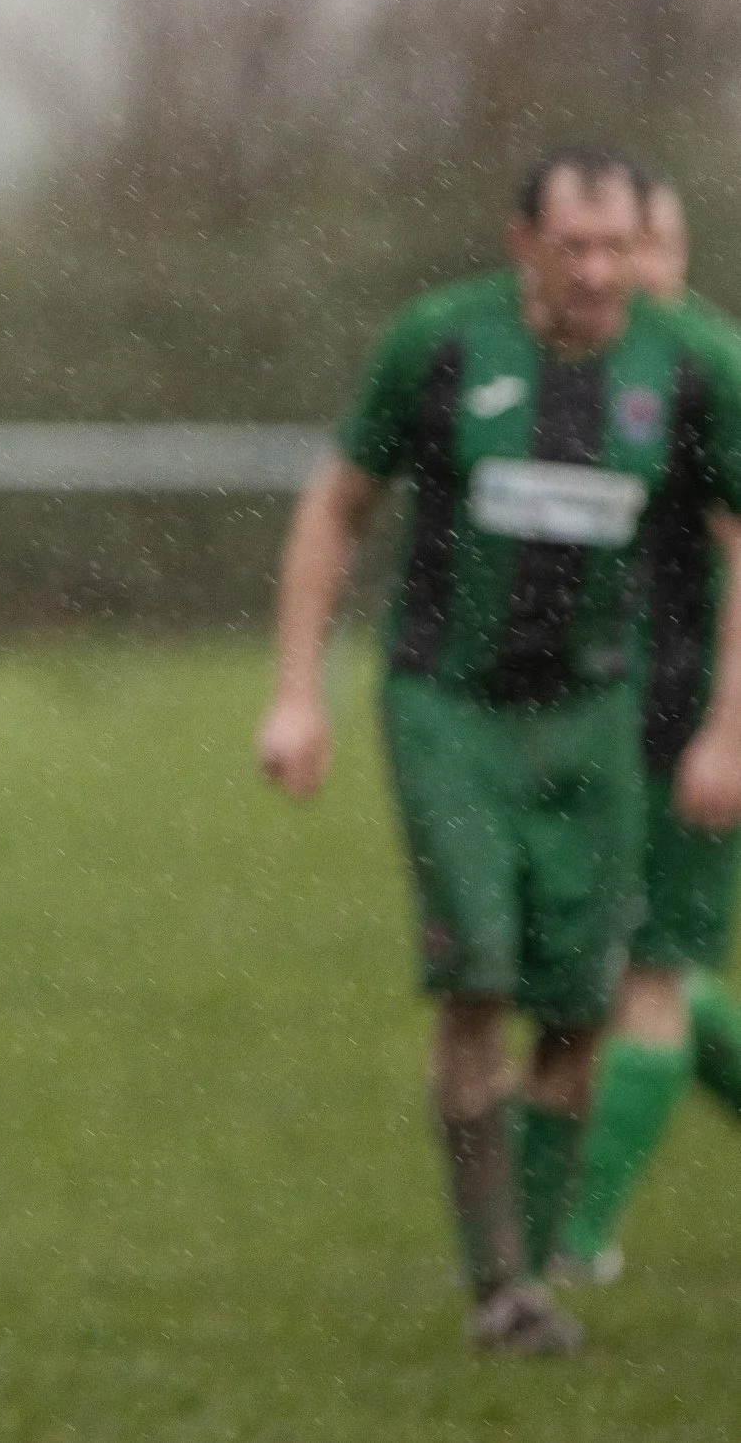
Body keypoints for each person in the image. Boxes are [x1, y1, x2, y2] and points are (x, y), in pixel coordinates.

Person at [257, 146, 741, 1355]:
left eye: (617, 245)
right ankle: (502, 1282)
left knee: (580, 1006)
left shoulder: (691, 365)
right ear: (521, 242)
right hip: (448, 708)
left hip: (596, 716)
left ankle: (528, 1266)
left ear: (646, 245)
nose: (596, 269)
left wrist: (730, 727)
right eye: (571, 245)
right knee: (477, 969)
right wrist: (294, 693)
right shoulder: (440, 342)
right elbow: (336, 504)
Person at [554, 181, 741, 1279]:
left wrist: (728, 726)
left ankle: (574, 1243)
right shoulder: (605, 374)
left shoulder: (712, 372)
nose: (625, 268)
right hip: (616, 714)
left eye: (647, 246)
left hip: (698, 721)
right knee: (641, 961)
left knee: (649, 974)